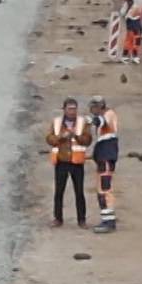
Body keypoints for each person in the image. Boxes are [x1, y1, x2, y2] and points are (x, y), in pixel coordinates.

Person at [43, 97, 92, 227]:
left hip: (77, 162)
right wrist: (61, 137)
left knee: (79, 192)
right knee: (59, 191)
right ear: (64, 109)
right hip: (61, 161)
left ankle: (81, 220)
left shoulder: (83, 122)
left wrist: (76, 135)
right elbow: (49, 139)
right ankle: (58, 218)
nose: (72, 112)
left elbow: (87, 140)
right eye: (70, 109)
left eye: (74, 109)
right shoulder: (57, 122)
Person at [88, 96, 120, 233]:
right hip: (102, 158)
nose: (92, 110)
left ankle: (109, 221)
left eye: (94, 107)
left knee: (105, 189)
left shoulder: (109, 114)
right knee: (101, 190)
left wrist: (89, 121)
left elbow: (101, 121)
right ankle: (106, 219)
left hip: (106, 159)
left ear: (99, 106)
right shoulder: (104, 126)